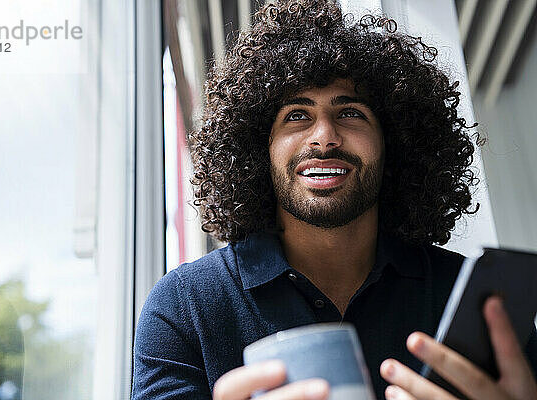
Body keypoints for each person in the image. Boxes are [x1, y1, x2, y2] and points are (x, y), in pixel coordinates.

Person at [131, 1, 537, 399]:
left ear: (394, 142)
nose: (324, 136)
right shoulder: (183, 307)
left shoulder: (468, 301)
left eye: (351, 113)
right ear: (260, 147)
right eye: (296, 115)